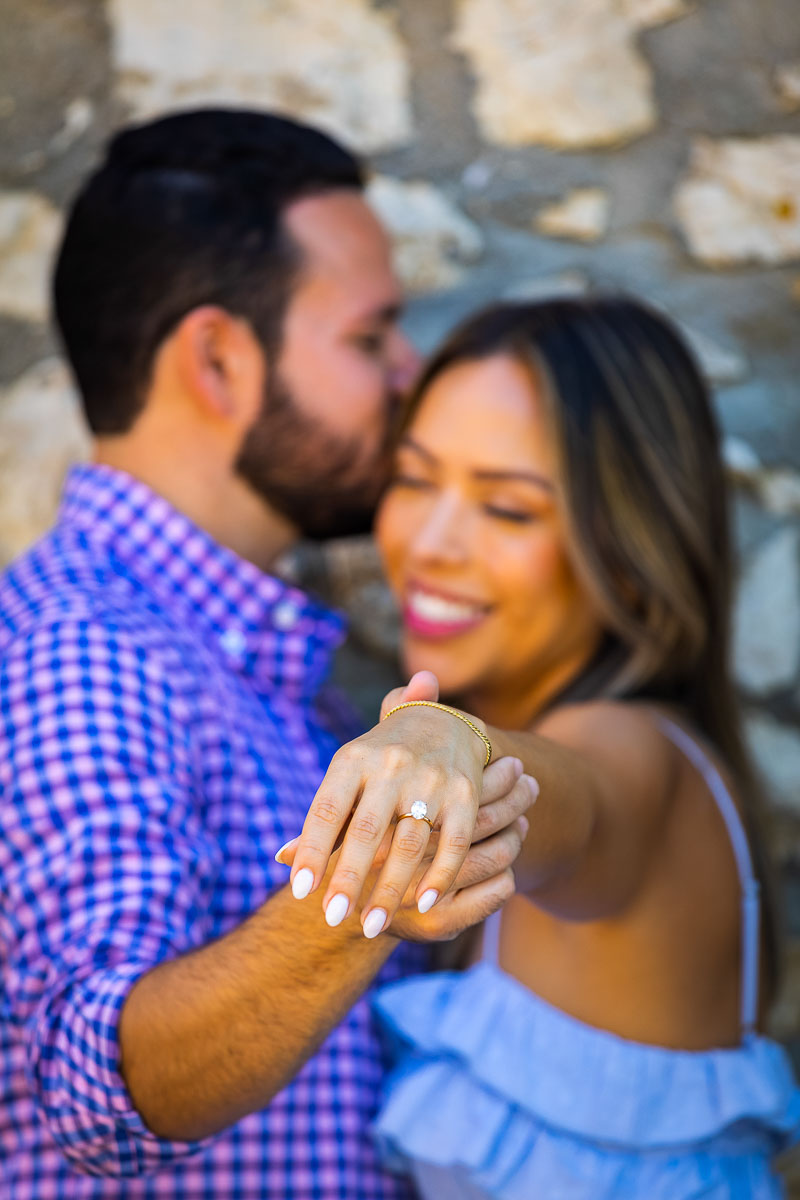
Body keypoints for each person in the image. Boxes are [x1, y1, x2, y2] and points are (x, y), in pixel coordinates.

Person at [0, 110, 535, 1198]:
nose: (408, 370)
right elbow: (100, 1078)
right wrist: (373, 885)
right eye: (367, 335)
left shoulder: (264, 665)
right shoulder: (85, 651)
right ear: (217, 360)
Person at [286, 297, 800, 1197]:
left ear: (632, 552)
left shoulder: (629, 749)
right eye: (414, 479)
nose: (429, 545)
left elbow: (571, 800)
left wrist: (446, 739)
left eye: (508, 508)